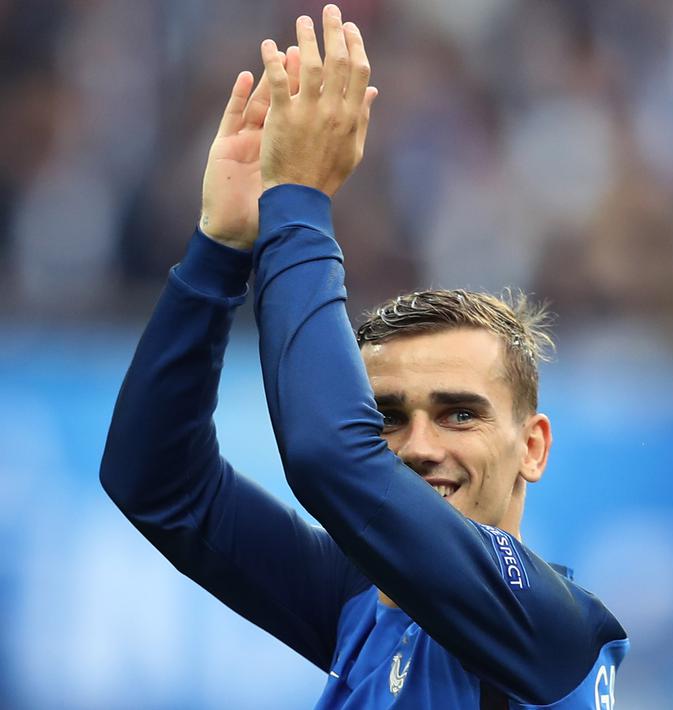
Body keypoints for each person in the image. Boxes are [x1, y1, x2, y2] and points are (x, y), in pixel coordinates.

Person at [99, 6, 627, 708]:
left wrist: (300, 201)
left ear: (531, 446)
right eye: (385, 416)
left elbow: (332, 457)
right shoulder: (365, 605)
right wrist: (219, 251)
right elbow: (158, 485)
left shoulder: (549, 626)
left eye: (458, 414)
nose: (417, 447)